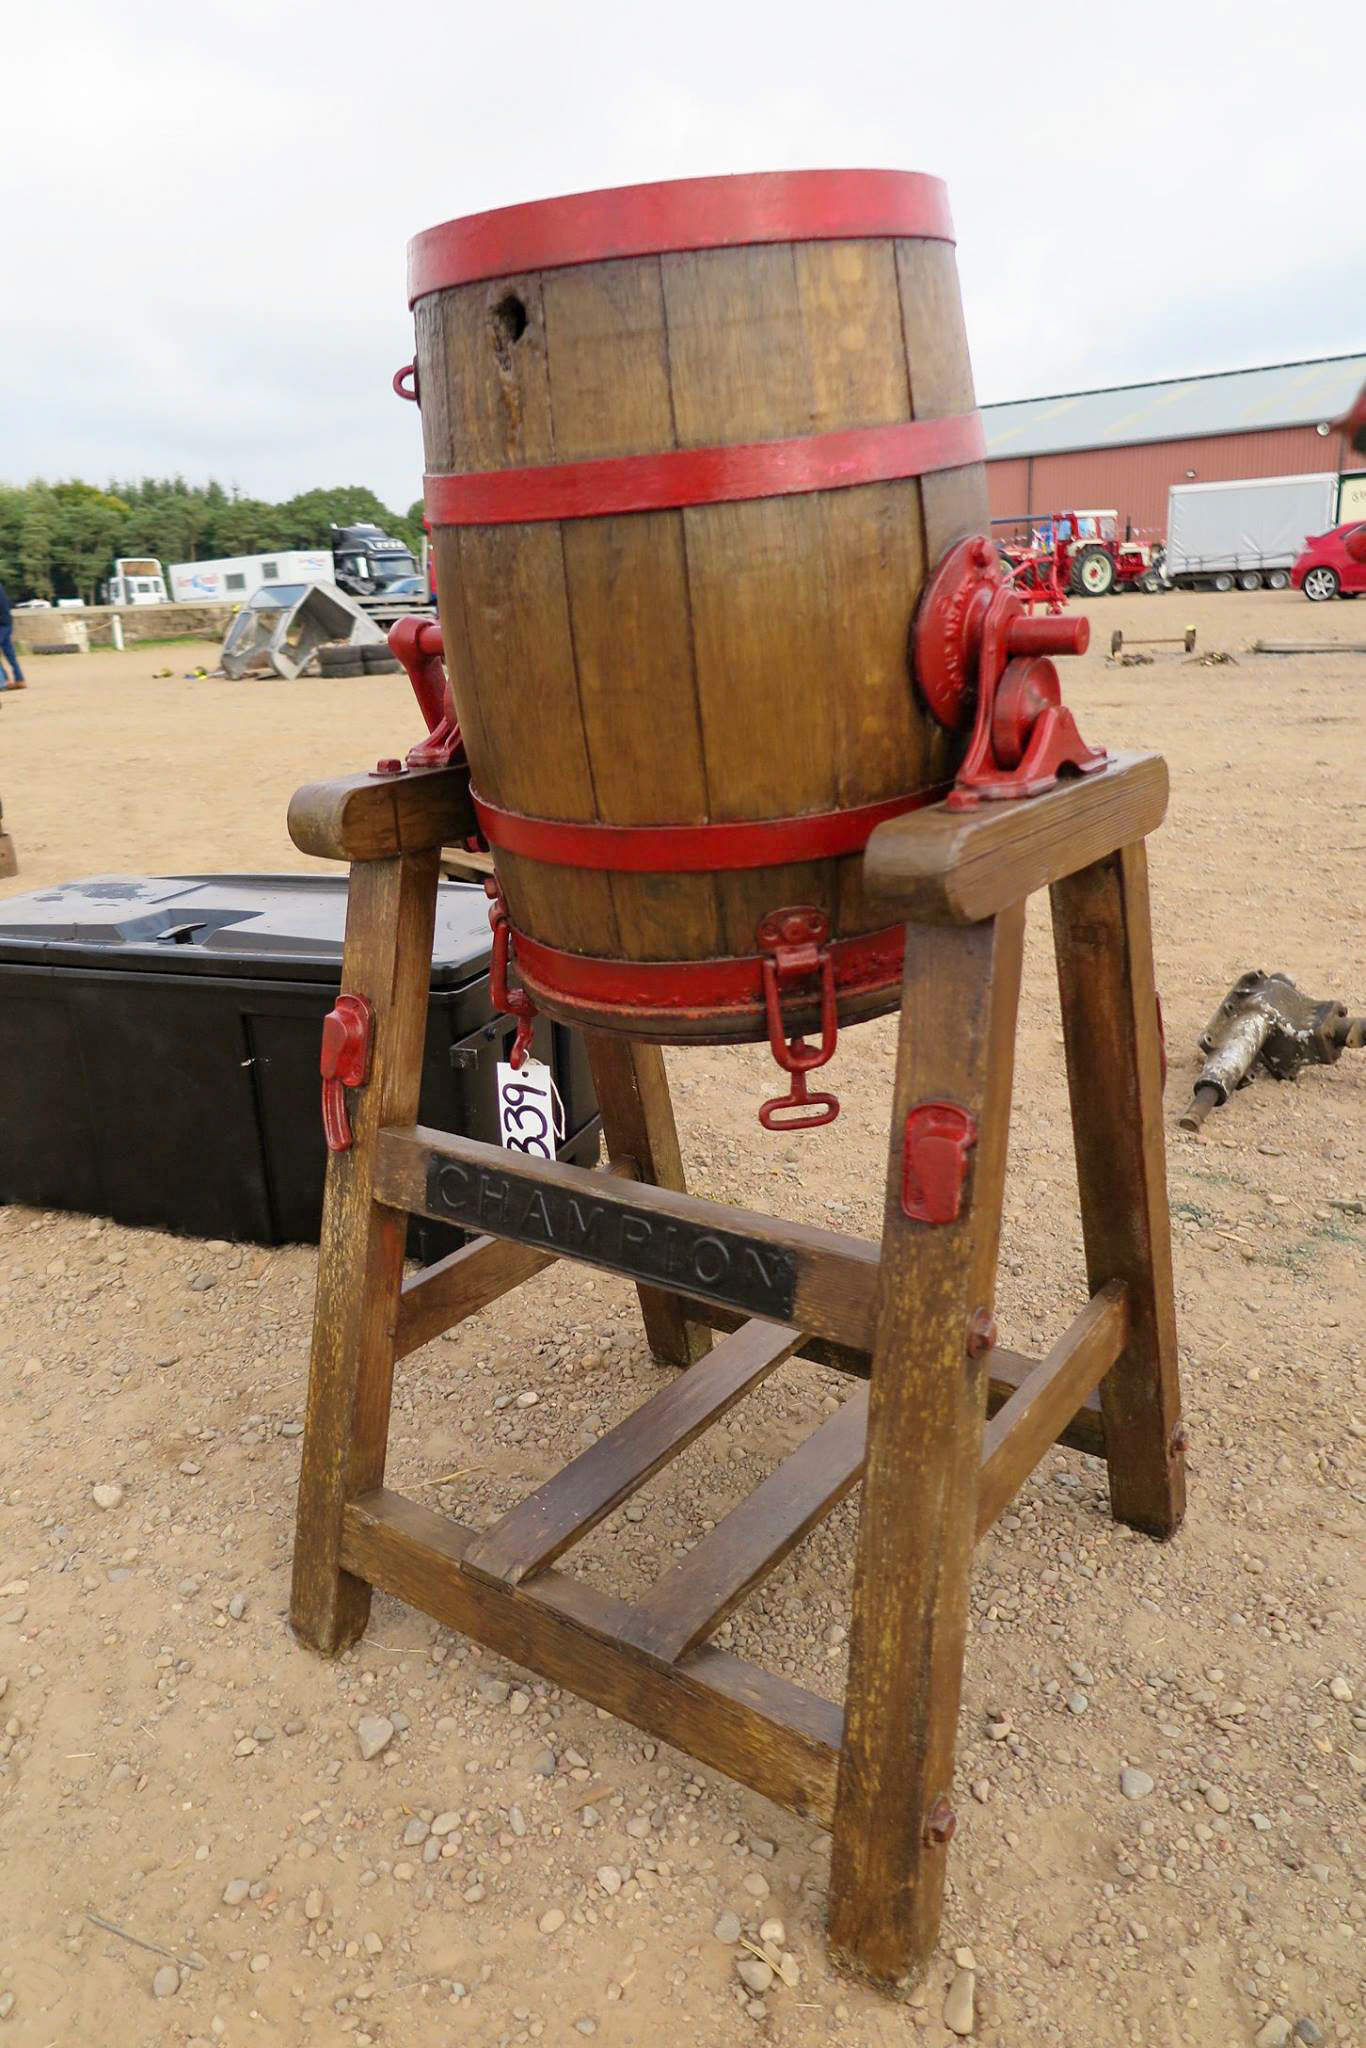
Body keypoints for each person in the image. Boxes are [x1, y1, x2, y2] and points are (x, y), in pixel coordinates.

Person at [0, 581, 25, 688]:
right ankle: (19, 679)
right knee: (9, 652)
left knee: (9, 652)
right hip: (6, 621)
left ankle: (4, 681)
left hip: (2, 623)